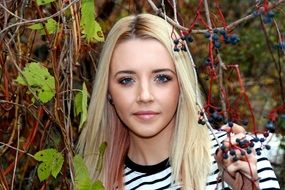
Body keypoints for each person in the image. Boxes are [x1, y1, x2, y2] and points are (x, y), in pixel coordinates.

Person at [77, 13, 280, 190]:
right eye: (126, 80)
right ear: (108, 91)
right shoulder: (94, 179)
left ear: (181, 85)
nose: (145, 96)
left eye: (162, 78)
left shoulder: (238, 157)